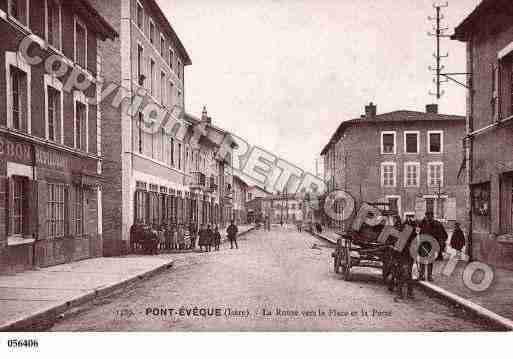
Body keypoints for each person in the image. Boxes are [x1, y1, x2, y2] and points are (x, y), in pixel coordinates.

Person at [419, 211, 448, 282]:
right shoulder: (421, 224)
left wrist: (438, 242)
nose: (427, 217)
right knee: (422, 261)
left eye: (429, 216)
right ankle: (422, 275)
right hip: (423, 245)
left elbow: (444, 235)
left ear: (432, 216)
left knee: (430, 261)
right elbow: (417, 234)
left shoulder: (437, 224)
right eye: (426, 216)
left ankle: (429, 276)